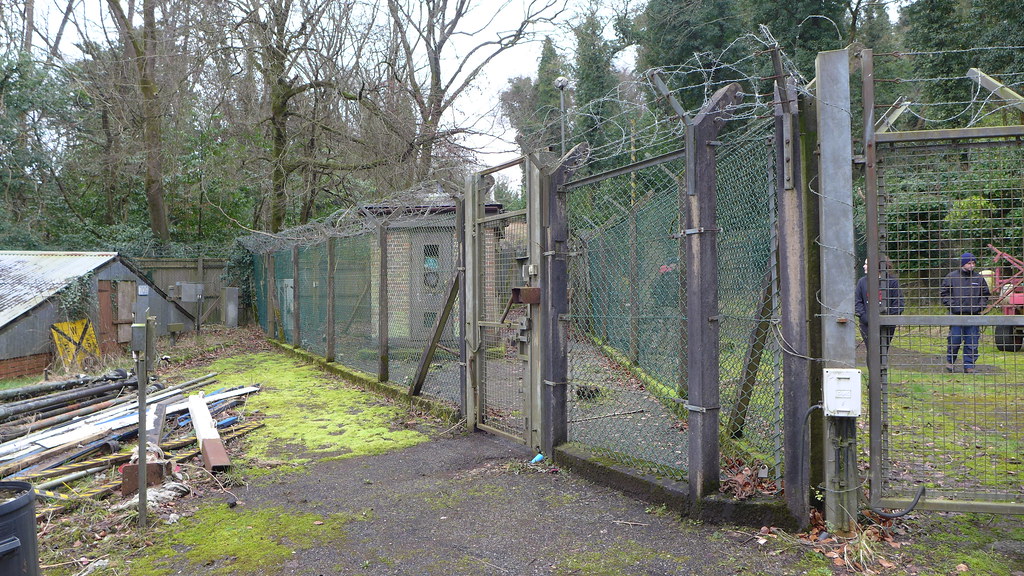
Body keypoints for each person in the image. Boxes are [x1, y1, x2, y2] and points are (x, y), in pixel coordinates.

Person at [940, 252, 991, 373]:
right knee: (954, 339)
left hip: (973, 316)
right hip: (956, 316)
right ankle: (950, 362)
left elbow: (985, 295)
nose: (971, 265)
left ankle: (969, 366)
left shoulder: (979, 278)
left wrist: (979, 307)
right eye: (969, 263)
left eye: (973, 263)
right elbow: (944, 294)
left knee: (972, 342)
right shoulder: (952, 277)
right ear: (963, 264)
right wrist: (954, 307)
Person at [855, 255, 905, 364]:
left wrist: (887, 320)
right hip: (867, 325)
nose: (864, 266)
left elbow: (898, 304)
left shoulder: (892, 282)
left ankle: (882, 373)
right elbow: (858, 303)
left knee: (883, 351)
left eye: (866, 264)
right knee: (872, 351)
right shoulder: (862, 282)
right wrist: (866, 319)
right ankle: (873, 374)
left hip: (887, 326)